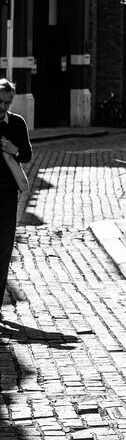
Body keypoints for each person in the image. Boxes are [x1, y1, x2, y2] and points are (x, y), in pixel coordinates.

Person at [0, 78, 32, 312]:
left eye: (7, 102)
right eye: (0, 102)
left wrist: (14, 150)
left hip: (7, 196)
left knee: (3, 251)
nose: (3, 107)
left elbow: (27, 155)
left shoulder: (17, 123)